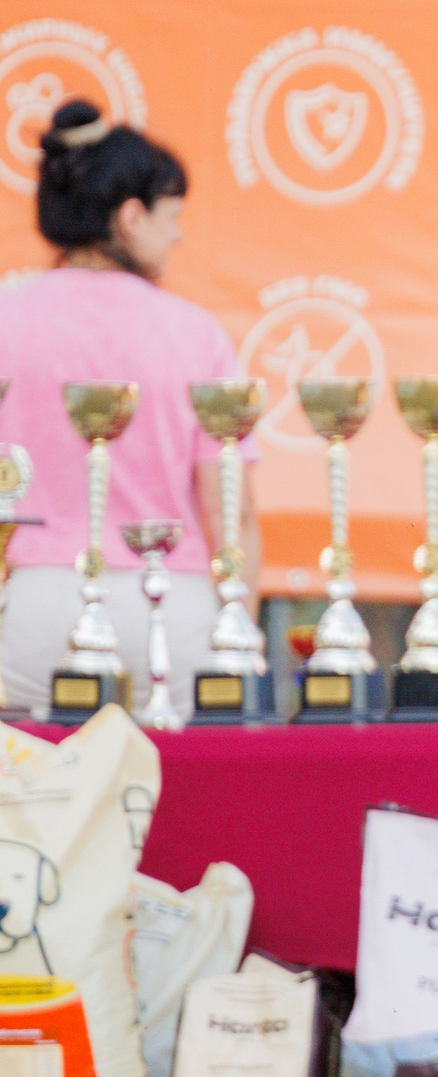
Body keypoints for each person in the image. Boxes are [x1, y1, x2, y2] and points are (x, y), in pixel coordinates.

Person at [0, 100, 261, 715]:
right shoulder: (195, 334)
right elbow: (234, 516)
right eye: (172, 217)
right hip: (170, 615)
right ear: (131, 216)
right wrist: (239, 641)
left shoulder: (5, 318)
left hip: (28, 613)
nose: (179, 235)